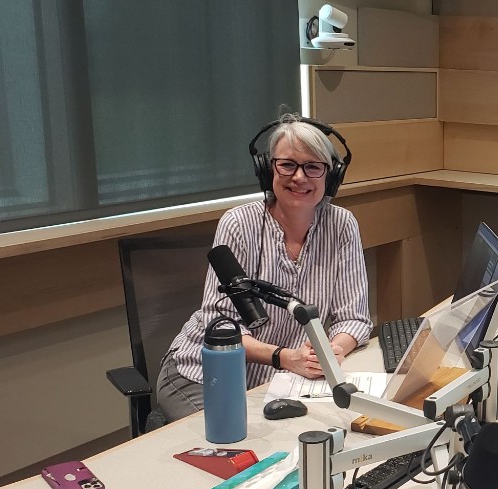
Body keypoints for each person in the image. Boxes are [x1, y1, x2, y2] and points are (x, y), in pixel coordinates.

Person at [154, 114, 372, 424]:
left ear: (330, 176)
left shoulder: (342, 225)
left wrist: (330, 351)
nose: (299, 177)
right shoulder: (239, 224)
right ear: (268, 169)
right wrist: (285, 358)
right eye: (287, 165)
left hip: (282, 381)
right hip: (203, 374)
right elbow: (222, 328)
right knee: (232, 446)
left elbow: (354, 317)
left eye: (313, 167)